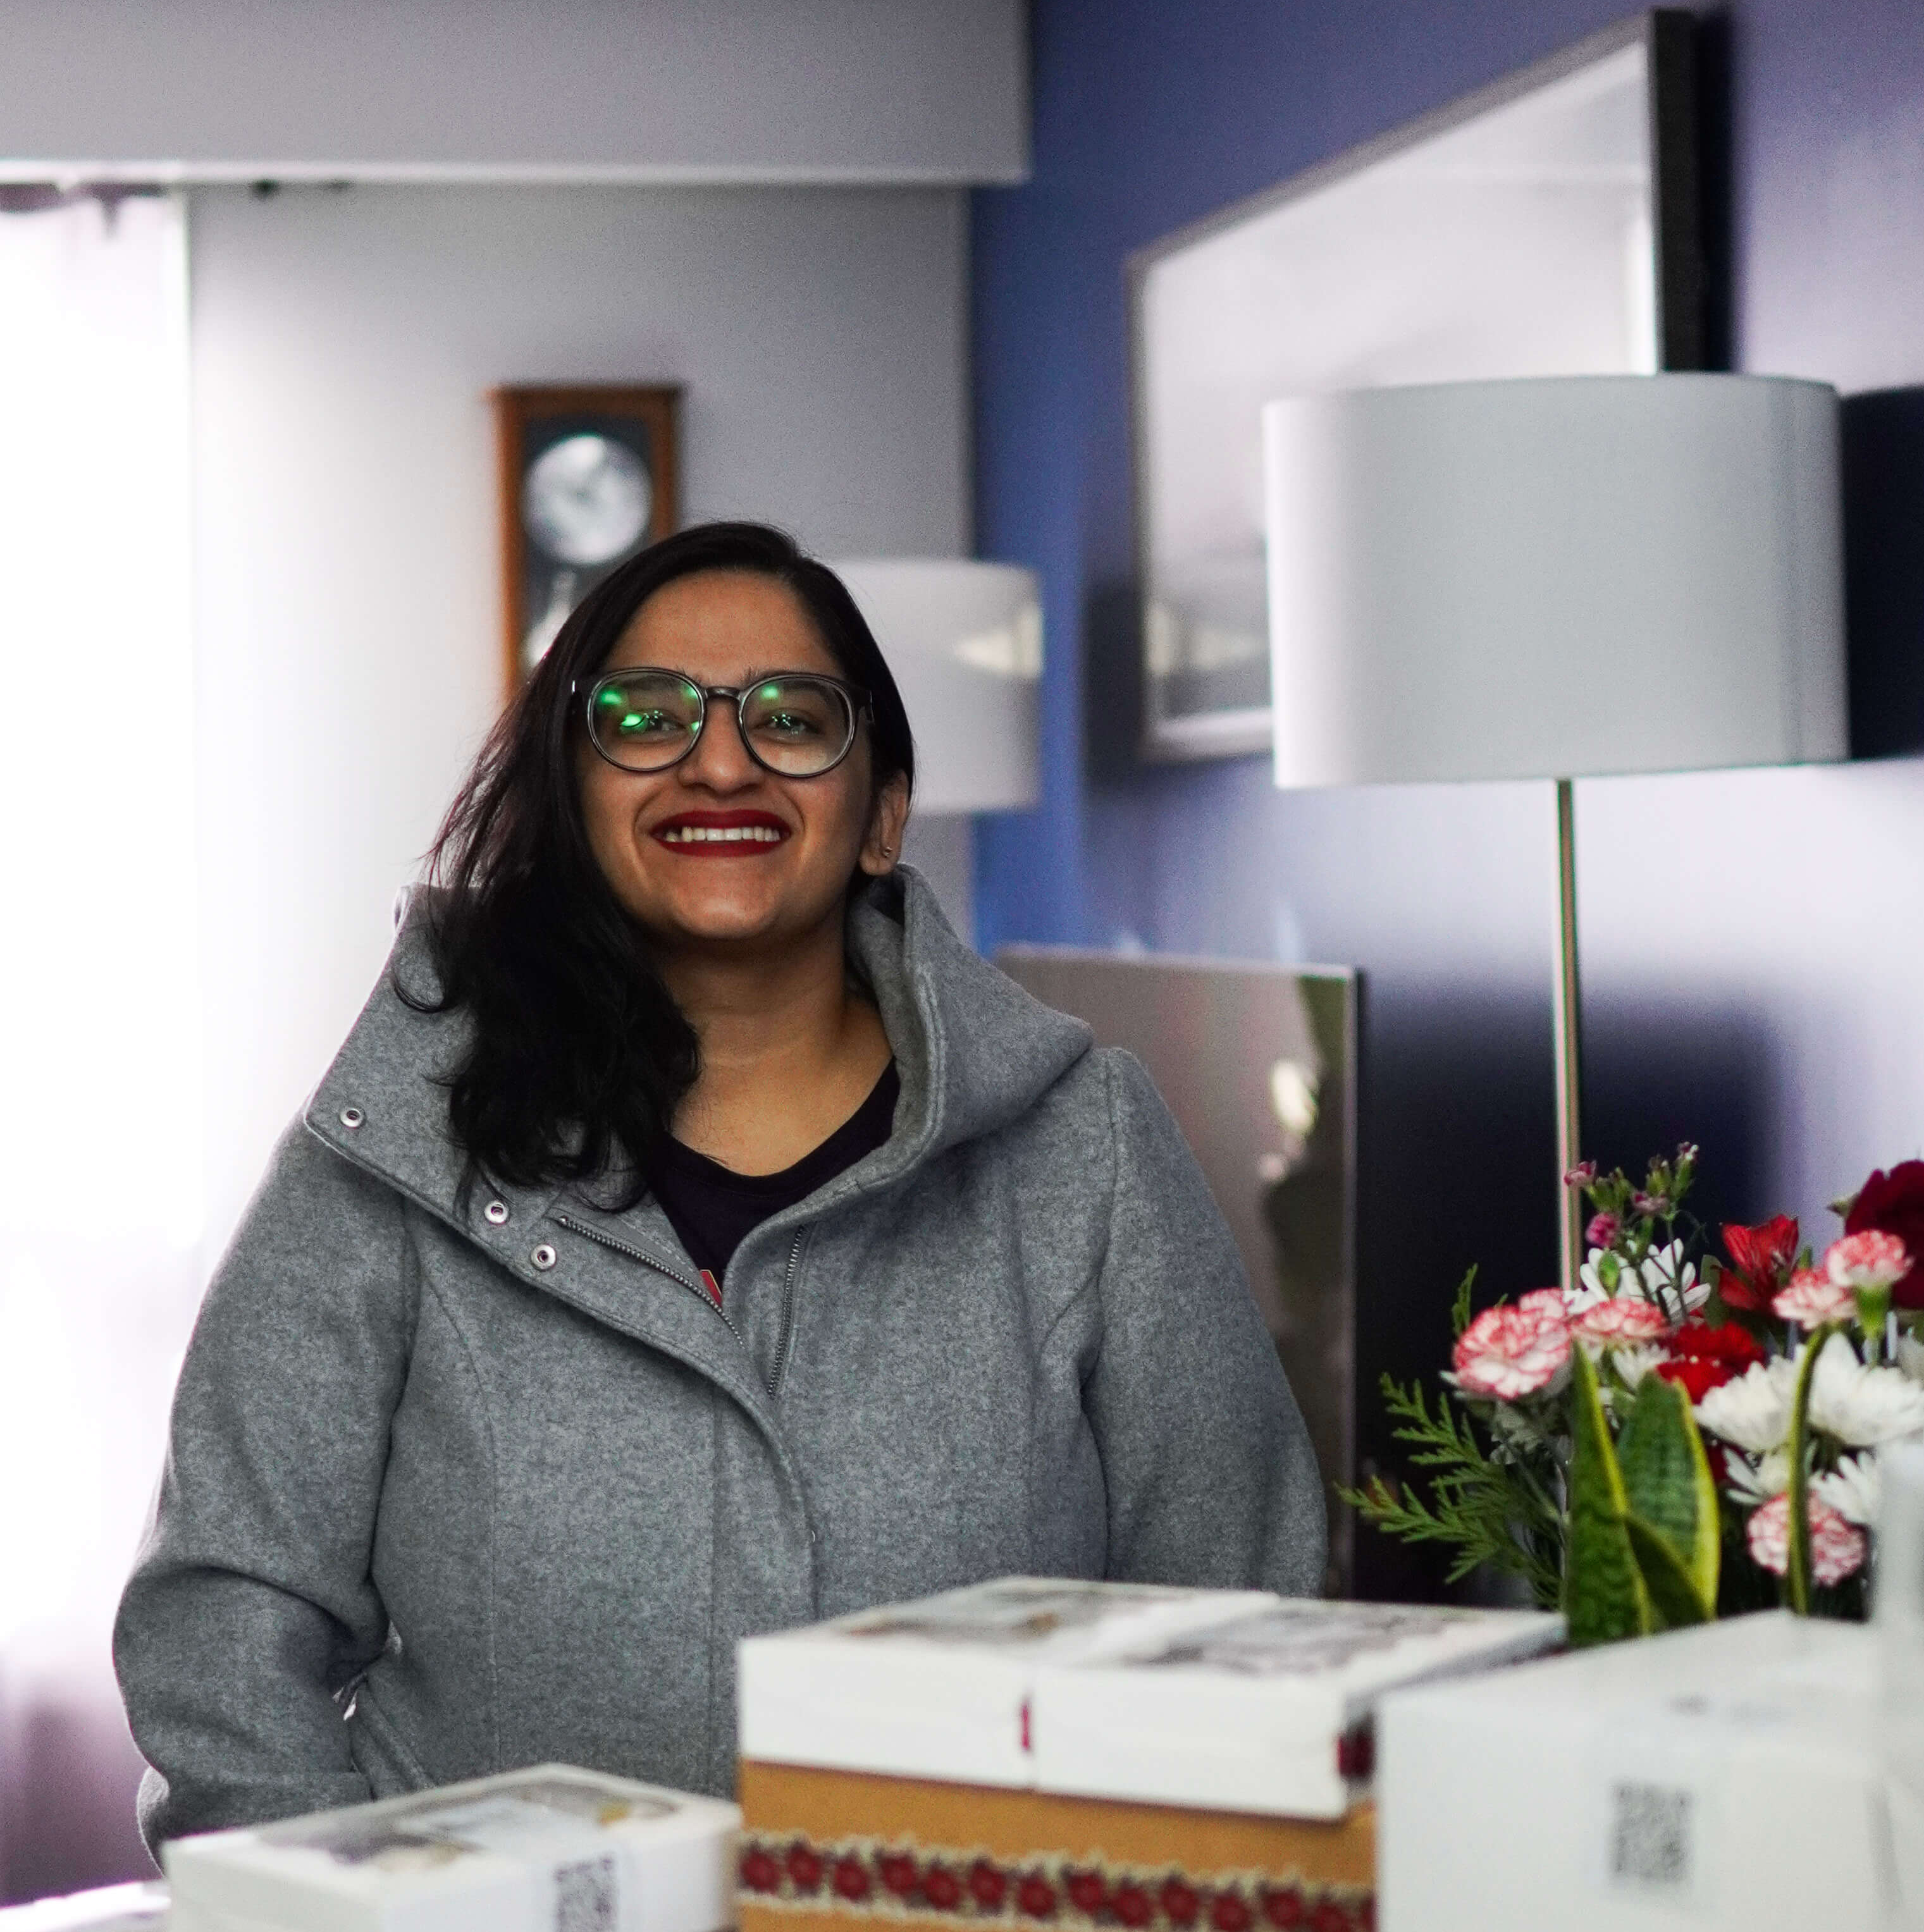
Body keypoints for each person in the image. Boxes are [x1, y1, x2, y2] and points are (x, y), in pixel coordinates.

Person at [116, 521, 1324, 1845]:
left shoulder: (1084, 1150)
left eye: (793, 718)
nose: (723, 760)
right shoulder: (394, 1149)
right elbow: (223, 1619)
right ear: (573, 795)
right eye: (647, 716)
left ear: (885, 813)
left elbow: (1243, 1618)